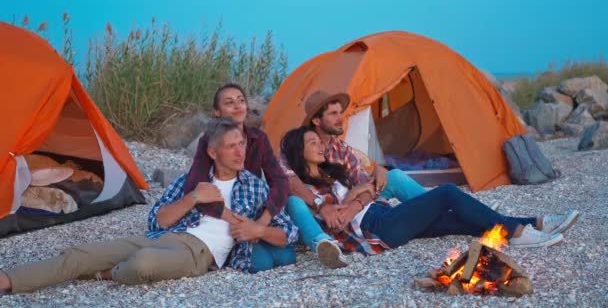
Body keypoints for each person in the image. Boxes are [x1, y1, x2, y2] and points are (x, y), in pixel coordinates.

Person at [0, 119, 298, 294]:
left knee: (143, 264)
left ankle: (106, 273)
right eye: (231, 145)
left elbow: (287, 233)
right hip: (164, 238)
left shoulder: (255, 187)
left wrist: (258, 229)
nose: (240, 151)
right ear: (212, 151)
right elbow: (159, 221)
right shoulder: (191, 181)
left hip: (199, 255)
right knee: (81, 254)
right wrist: (193, 198)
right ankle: (9, 279)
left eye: (242, 144)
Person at [281, 126, 579, 268]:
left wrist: (357, 196)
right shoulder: (309, 189)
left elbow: (370, 187)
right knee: (448, 193)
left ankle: (536, 223)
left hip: (381, 212)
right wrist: (351, 200)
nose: (321, 146)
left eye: (319, 141)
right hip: (378, 228)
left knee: (458, 220)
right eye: (312, 143)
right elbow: (334, 214)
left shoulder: (333, 172)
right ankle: (516, 233)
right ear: (299, 151)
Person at [281, 90, 428, 268]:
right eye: (333, 114)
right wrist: (321, 205)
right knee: (294, 200)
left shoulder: (342, 150)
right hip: (318, 214)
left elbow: (364, 182)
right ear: (317, 121)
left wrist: (375, 175)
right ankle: (324, 244)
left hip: (347, 207)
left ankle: (432, 209)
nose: (340, 118)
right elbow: (286, 179)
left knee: (393, 176)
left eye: (340, 113)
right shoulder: (296, 145)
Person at [185, 83, 289, 228]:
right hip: (222, 206)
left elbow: (279, 180)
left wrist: (263, 221)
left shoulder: (258, 138)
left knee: (293, 207)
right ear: (217, 111)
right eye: (229, 103)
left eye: (241, 101)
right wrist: (233, 219)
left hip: (252, 204)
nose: (238, 106)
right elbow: (194, 184)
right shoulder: (209, 140)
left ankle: (322, 242)